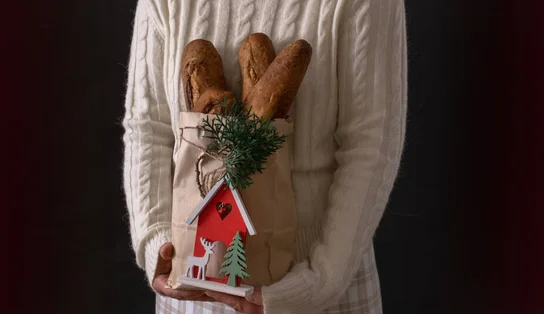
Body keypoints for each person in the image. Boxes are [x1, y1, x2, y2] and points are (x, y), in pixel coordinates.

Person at [122, 0, 407, 313]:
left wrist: (320, 281)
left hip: (317, 278)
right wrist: (157, 242)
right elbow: (148, 125)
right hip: (193, 275)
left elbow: (370, 142)